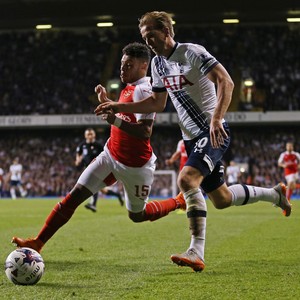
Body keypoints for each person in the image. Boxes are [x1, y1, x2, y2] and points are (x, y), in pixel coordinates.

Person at [95, 11, 291, 272]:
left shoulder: (192, 53)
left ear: (166, 31)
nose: (148, 42)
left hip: (212, 132)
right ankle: (274, 194)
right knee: (221, 198)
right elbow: (156, 102)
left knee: (186, 179)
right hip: (190, 138)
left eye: (151, 35)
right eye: (144, 37)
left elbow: (226, 81)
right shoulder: (157, 65)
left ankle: (196, 251)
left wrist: (217, 118)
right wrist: (117, 105)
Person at [12, 42, 185, 253]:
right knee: (73, 196)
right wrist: (108, 102)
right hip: (110, 155)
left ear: (143, 66)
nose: (122, 69)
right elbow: (125, 113)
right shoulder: (129, 87)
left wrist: (114, 120)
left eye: (128, 65)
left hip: (135, 166)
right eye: (122, 64)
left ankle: (178, 202)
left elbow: (145, 132)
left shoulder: (144, 90)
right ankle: (38, 242)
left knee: (137, 215)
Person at [75, 127, 124, 212]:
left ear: (94, 135)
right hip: (87, 169)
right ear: (85, 136)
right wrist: (78, 160)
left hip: (98, 169)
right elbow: (78, 156)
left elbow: (105, 155)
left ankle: (93, 204)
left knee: (92, 184)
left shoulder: (98, 145)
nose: (90, 136)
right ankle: (118, 195)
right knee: (103, 190)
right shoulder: (82, 145)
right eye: (88, 134)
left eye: (91, 134)